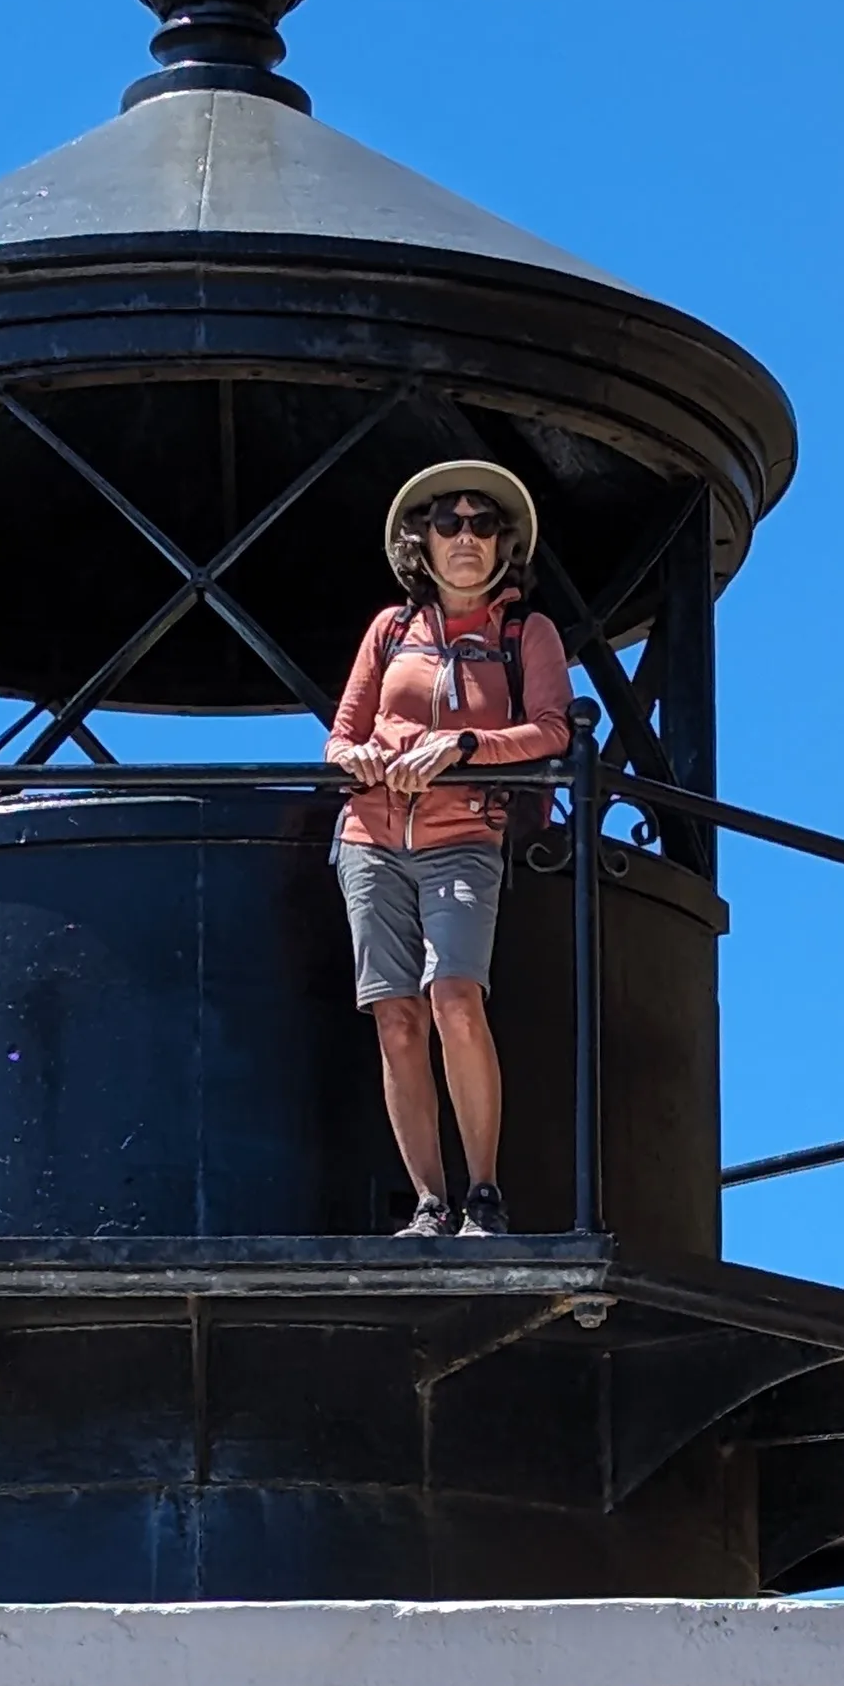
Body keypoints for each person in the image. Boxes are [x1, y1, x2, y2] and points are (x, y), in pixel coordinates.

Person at [324, 459, 572, 1235]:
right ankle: (430, 1202)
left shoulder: (526, 633)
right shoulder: (388, 630)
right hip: (370, 837)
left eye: (484, 523)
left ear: (506, 546)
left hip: (465, 834)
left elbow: (554, 732)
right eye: (449, 522)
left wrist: (461, 746)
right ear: (421, 543)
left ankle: (485, 1193)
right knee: (395, 1018)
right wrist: (356, 759)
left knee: (455, 996)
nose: (467, 536)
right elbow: (342, 735)